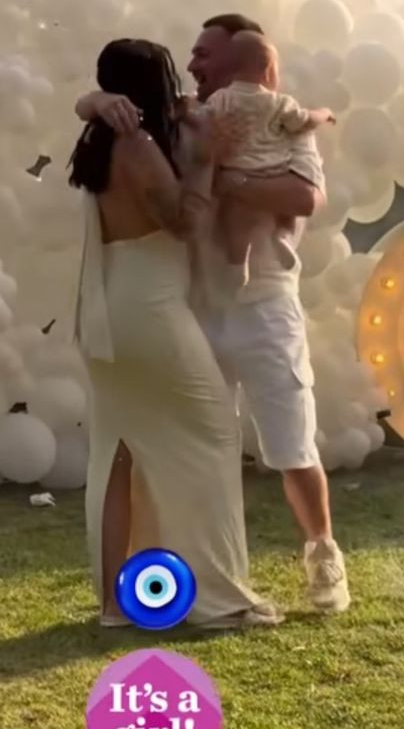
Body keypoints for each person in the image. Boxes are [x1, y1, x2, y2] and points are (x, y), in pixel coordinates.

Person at [76, 14, 350, 614]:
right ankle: (203, 582)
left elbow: (306, 197)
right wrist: (96, 101)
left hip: (263, 306)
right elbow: (109, 112)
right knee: (199, 447)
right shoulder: (183, 117)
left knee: (289, 444)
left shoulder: (280, 120)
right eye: (192, 55)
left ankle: (322, 552)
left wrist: (226, 177)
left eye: (205, 55)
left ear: (239, 61)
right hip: (190, 309)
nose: (194, 64)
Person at [68, 38, 280, 631]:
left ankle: (116, 604)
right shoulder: (136, 145)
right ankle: (217, 597)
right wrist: (205, 163)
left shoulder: (97, 137)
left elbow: (98, 108)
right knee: (212, 433)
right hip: (148, 309)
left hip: (107, 310)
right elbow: (183, 222)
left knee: (118, 453)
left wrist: (93, 101)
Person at [204, 29, 335, 296]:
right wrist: (324, 113)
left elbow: (205, 121)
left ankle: (237, 262)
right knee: (285, 213)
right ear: (268, 71)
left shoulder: (220, 99)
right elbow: (304, 121)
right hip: (274, 169)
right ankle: (282, 236)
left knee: (237, 219)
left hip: (238, 167)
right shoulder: (279, 102)